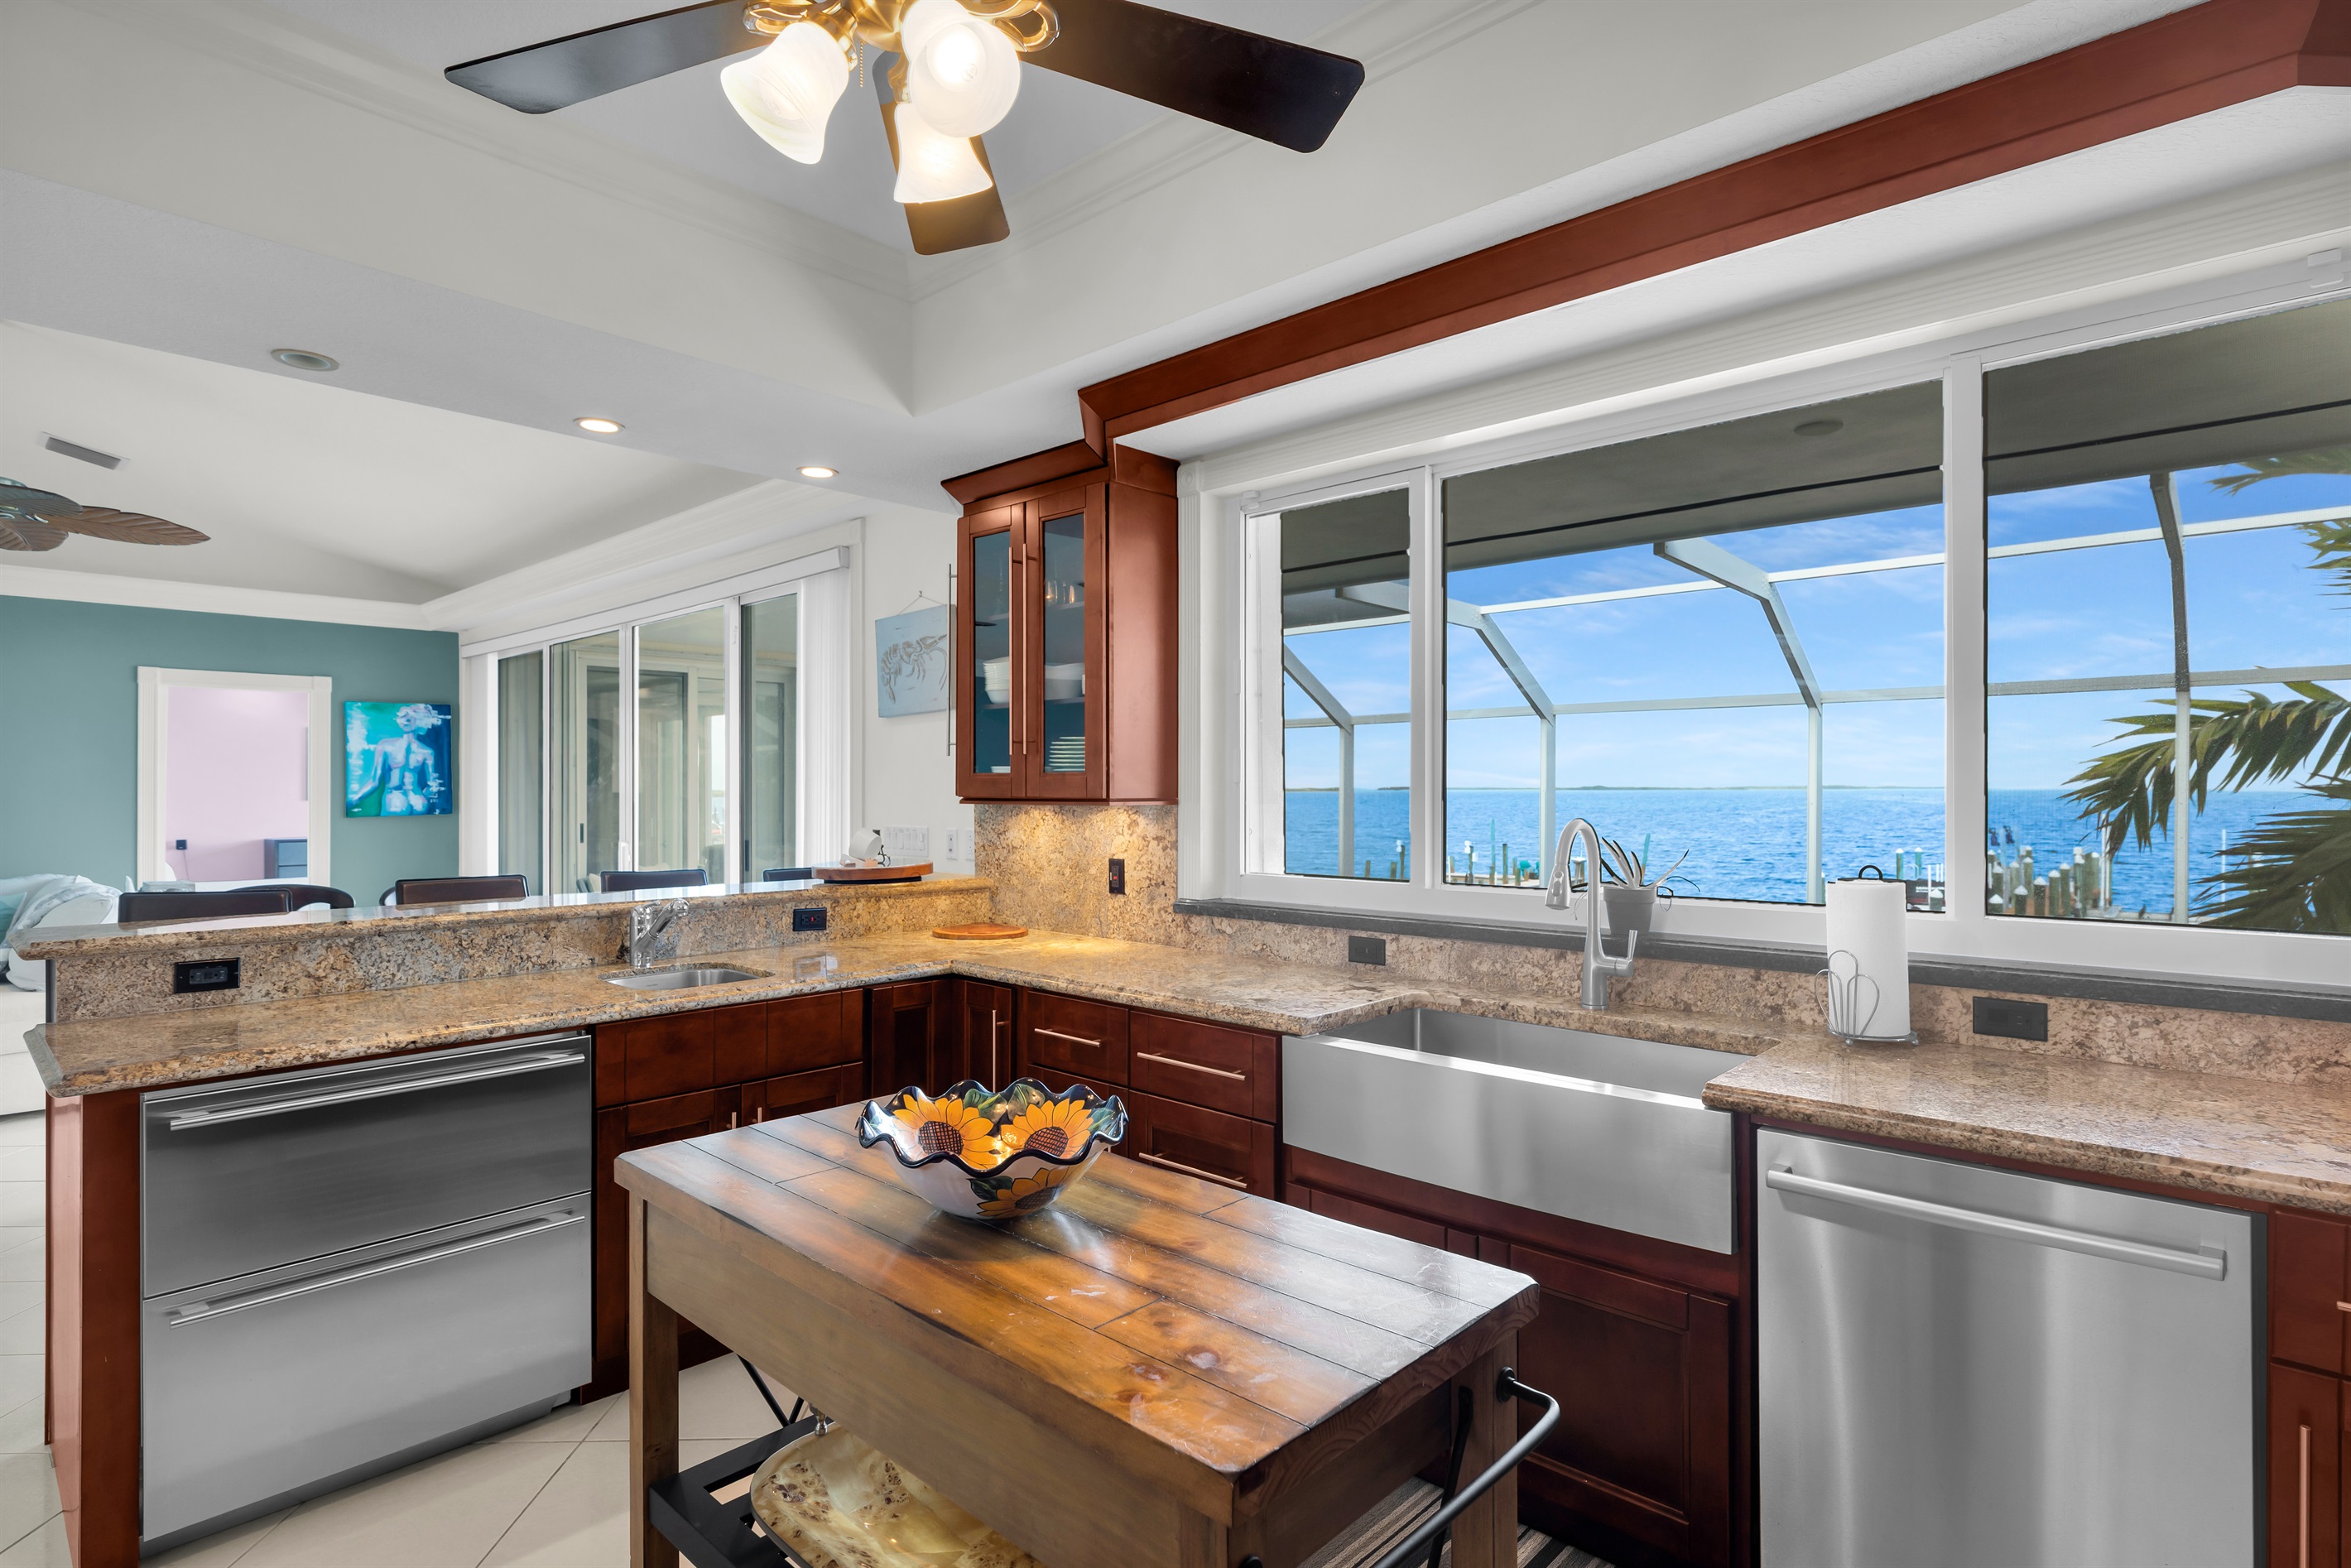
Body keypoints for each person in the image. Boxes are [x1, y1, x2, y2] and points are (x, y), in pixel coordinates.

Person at [349, 703, 446, 815]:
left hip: (395, 801)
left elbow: (374, 782)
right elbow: (432, 785)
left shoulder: (385, 745)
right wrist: (421, 798)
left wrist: (355, 799)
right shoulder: (427, 751)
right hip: (419, 802)